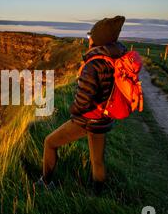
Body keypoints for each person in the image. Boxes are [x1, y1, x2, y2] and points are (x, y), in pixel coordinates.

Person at [38, 16, 127, 193]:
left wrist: (72, 111)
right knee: (97, 160)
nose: (89, 40)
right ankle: (97, 195)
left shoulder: (93, 65)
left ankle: (45, 183)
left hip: (87, 120)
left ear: (98, 39)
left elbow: (83, 101)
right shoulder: (115, 59)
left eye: (90, 37)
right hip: (104, 118)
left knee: (50, 142)